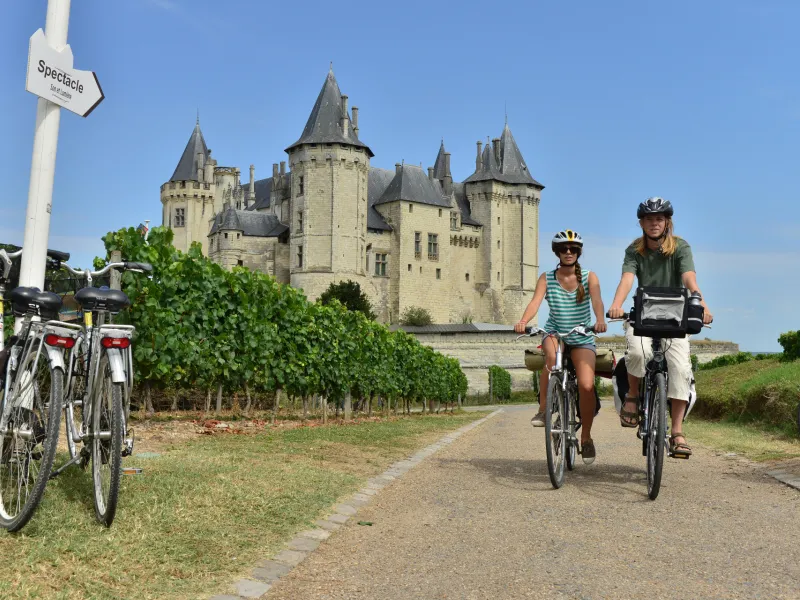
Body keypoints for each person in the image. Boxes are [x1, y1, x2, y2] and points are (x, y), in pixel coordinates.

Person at [607, 197, 713, 458]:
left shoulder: (680, 247)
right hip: (644, 313)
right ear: (641, 223)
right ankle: (632, 395)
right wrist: (616, 304)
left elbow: (689, 278)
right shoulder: (634, 250)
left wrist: (702, 305)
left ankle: (677, 432)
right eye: (648, 219)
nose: (654, 223)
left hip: (675, 317)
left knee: (679, 368)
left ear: (667, 222)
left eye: (659, 219)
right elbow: (627, 279)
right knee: (638, 353)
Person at [515, 230, 607, 464]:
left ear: (578, 253)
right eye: (564, 249)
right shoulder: (547, 277)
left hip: (582, 334)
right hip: (554, 331)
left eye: (573, 249)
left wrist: (599, 319)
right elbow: (536, 301)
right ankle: (544, 409)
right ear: (557, 252)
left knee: (586, 385)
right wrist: (524, 321)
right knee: (552, 358)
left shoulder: (589, 277)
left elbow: (597, 300)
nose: (569, 252)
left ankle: (585, 438)